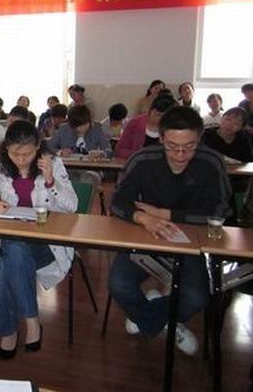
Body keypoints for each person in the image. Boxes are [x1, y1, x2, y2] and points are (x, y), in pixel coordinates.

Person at [108, 106, 231, 356]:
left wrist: (166, 214)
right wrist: (143, 217)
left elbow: (220, 212)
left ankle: (149, 316)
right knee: (119, 284)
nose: (180, 154)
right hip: (147, 237)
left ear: (199, 139)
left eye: (189, 146)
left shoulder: (211, 162)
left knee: (197, 297)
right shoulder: (143, 159)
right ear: (161, 138)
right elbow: (117, 202)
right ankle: (163, 320)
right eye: (172, 146)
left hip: (192, 244)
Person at [0, 120, 77, 359]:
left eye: (27, 154)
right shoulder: (0, 165)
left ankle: (9, 332)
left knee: (10, 258)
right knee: (13, 252)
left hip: (46, 245)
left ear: (38, 146)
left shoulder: (53, 162)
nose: (20, 159)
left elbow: (72, 206)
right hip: (11, 241)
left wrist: (51, 181)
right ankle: (31, 321)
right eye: (14, 154)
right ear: (6, 149)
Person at [114, 94, 176, 159]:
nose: (161, 119)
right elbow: (119, 150)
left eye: (165, 117)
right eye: (158, 115)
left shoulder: (171, 128)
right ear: (152, 111)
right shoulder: (135, 123)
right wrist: (140, 155)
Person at [47, 105, 112, 158]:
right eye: (78, 126)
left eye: (85, 124)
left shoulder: (97, 128)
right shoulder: (64, 129)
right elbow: (48, 147)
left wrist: (101, 154)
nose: (82, 128)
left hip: (91, 166)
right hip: (69, 167)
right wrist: (60, 152)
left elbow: (108, 150)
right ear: (71, 125)